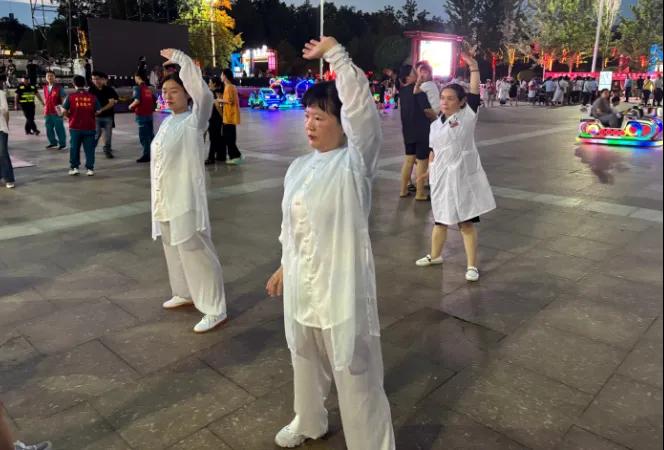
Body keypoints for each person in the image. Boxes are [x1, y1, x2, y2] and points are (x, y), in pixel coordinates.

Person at [265, 35, 395, 450]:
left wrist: (336, 55)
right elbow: (292, 228)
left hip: (340, 286)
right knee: (303, 357)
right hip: (302, 283)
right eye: (307, 116)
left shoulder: (355, 165)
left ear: (342, 124)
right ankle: (309, 420)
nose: (309, 125)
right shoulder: (298, 168)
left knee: (354, 371)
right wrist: (284, 265)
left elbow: (362, 113)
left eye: (319, 117)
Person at [151, 48, 227, 333]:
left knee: (196, 252)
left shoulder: (194, 121)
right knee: (173, 249)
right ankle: (184, 292)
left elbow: (205, 96)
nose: (168, 96)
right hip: (165, 198)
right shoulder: (167, 122)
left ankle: (214, 308)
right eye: (165, 92)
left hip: (185, 199)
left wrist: (184, 62)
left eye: (174, 91)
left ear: (187, 93)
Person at [415, 47, 496, 283]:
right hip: (441, 176)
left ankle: (472, 266)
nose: (445, 102)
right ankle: (435, 255)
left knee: (465, 222)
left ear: (461, 102)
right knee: (440, 218)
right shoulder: (435, 125)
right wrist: (428, 170)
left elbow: (474, 91)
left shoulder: (467, 117)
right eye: (443, 98)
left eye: (450, 99)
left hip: (462, 175)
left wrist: (473, 66)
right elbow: (433, 151)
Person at [398, 64, 434, 200]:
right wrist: (436, 118)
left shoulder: (402, 92)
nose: (417, 74)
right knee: (422, 161)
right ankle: (420, 193)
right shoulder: (419, 92)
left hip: (407, 130)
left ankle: (403, 190)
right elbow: (427, 111)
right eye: (414, 72)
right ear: (408, 77)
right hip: (421, 131)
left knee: (408, 160)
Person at [62, 75, 101, 176]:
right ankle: (90, 169)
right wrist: (90, 115)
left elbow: (64, 111)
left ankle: (74, 168)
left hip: (75, 127)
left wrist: (70, 116)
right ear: (85, 84)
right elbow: (98, 111)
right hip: (89, 126)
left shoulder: (70, 97)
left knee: (74, 148)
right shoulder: (92, 97)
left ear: (73, 84)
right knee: (89, 149)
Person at [89, 71, 119, 159]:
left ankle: (107, 150)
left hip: (108, 116)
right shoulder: (91, 90)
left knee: (108, 136)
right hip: (96, 117)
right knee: (97, 134)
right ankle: (90, 149)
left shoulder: (109, 90)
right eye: (93, 79)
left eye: (97, 79)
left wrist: (101, 110)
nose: (95, 81)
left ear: (102, 79)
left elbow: (112, 102)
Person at [129, 71, 155, 163]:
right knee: (150, 135)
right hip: (149, 114)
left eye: (135, 77)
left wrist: (130, 106)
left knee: (144, 136)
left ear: (138, 77)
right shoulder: (148, 88)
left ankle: (146, 155)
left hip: (141, 115)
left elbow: (137, 100)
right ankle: (154, 153)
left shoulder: (137, 88)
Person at [220, 68, 243, 165]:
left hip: (229, 116)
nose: (221, 77)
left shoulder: (229, 87)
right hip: (230, 116)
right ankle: (235, 155)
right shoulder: (231, 86)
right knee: (230, 137)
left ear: (225, 76)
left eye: (222, 75)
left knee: (228, 137)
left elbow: (230, 101)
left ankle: (235, 156)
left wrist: (219, 100)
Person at [42, 70, 67, 150]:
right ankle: (53, 143)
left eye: (51, 76)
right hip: (47, 111)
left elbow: (63, 99)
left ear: (54, 77)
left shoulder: (59, 87)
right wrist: (44, 108)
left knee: (59, 128)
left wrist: (63, 110)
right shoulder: (45, 87)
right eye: (48, 76)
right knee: (48, 128)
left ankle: (62, 144)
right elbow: (45, 99)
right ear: (46, 78)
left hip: (57, 111)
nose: (50, 77)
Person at [1, 76, 16, 189]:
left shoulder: (1, 94)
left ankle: (9, 179)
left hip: (1, 128)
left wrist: (7, 126)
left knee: (3, 153)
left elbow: (5, 110)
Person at [205, 77, 224, 165]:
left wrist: (222, 116)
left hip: (214, 119)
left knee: (213, 138)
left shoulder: (212, 93)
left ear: (214, 84)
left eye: (210, 82)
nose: (209, 84)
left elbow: (217, 106)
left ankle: (211, 157)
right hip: (216, 119)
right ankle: (220, 155)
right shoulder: (219, 92)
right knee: (218, 137)